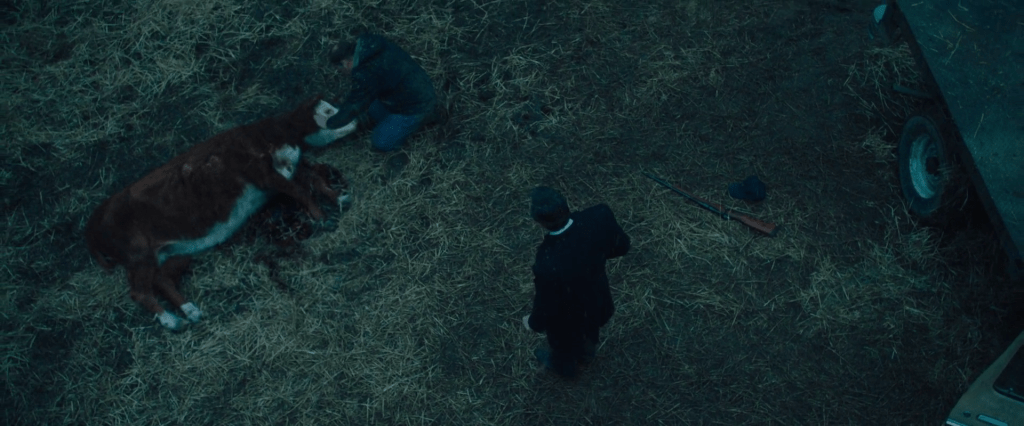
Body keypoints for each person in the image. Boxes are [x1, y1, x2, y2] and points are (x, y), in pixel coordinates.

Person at [522, 186, 631, 378]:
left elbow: (546, 302)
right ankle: (587, 356)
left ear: (540, 222)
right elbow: (622, 246)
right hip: (598, 301)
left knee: (564, 347)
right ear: (566, 206)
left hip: (567, 318)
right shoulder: (599, 215)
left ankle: (565, 370)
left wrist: (533, 323)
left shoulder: (547, 261)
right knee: (590, 331)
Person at [321, 33, 437, 152]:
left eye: (340, 70)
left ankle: (424, 120)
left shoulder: (366, 72)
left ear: (346, 63)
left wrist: (329, 124)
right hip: (414, 88)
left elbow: (354, 105)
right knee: (370, 108)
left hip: (417, 106)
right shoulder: (372, 46)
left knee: (380, 141)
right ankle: (392, 122)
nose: (343, 74)